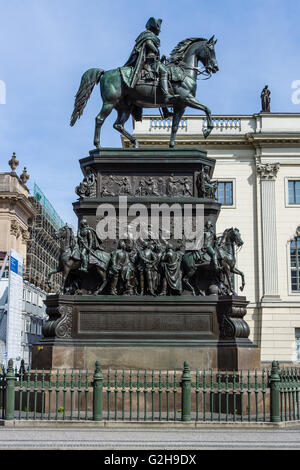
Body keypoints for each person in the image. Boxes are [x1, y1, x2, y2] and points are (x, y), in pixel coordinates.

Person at [124, 17, 174, 104]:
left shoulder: (149, 35)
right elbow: (148, 43)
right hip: (149, 61)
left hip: (153, 60)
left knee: (159, 81)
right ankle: (166, 95)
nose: (159, 31)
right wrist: (156, 50)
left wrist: (160, 57)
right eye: (159, 29)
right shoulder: (148, 35)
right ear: (155, 28)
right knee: (164, 72)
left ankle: (165, 110)